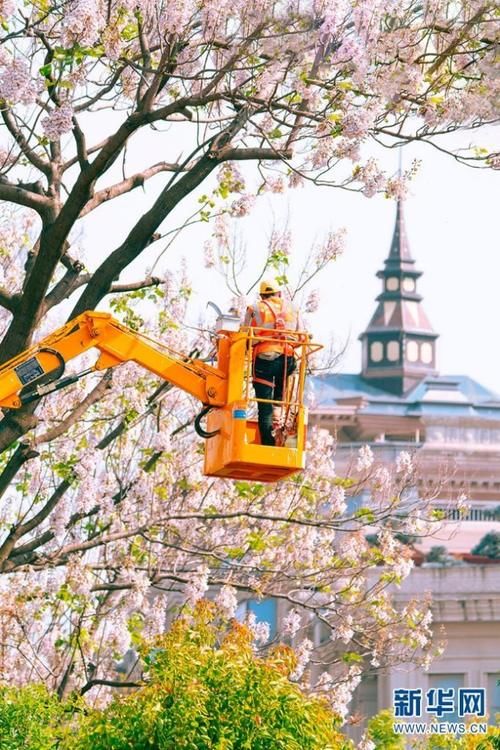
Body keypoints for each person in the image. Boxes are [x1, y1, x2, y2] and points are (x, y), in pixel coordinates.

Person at [244, 280, 300, 446]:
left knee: (264, 407)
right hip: (287, 360)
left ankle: (268, 444)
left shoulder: (254, 308)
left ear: (262, 296)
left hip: (265, 360)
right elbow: (301, 335)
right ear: (279, 294)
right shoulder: (294, 308)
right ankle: (280, 416)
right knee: (280, 399)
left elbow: (245, 337)